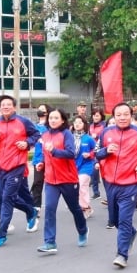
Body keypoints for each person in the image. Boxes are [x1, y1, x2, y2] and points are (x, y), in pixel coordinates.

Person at [96, 102, 137, 268]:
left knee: (124, 220)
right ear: (113, 117)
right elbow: (97, 154)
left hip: (130, 182)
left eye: (125, 114)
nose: (122, 117)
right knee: (114, 220)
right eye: (119, 115)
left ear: (131, 115)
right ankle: (132, 232)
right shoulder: (106, 132)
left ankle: (122, 255)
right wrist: (106, 151)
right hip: (109, 182)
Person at [0, 95, 41, 248]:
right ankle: (30, 211)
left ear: (14, 107)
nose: (5, 106)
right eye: (3, 104)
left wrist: (27, 143)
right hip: (0, 167)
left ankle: (1, 235)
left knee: (7, 199)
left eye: (8, 104)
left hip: (16, 166)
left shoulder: (23, 122)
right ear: (0, 107)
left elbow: (36, 134)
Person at [35, 109, 89, 254]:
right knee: (50, 209)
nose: (52, 120)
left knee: (74, 209)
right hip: (51, 180)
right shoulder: (45, 135)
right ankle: (50, 242)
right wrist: (41, 163)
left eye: (56, 118)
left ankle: (83, 230)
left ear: (62, 120)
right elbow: (44, 155)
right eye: (51, 117)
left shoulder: (66, 134)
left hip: (68, 179)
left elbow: (71, 153)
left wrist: (54, 151)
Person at [72, 115, 96, 218]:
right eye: (75, 122)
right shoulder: (69, 137)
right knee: (78, 188)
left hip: (86, 166)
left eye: (80, 122)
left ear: (84, 125)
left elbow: (96, 150)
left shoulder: (88, 139)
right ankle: (87, 207)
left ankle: (84, 208)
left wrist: (89, 154)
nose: (77, 124)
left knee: (82, 185)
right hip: (73, 167)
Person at [31, 104, 50, 211]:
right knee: (37, 182)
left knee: (51, 184)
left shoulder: (50, 126)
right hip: (38, 158)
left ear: (47, 112)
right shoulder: (35, 126)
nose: (40, 111)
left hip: (50, 158)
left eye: (42, 109)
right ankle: (36, 207)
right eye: (39, 109)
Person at [89, 108, 106, 199]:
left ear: (101, 116)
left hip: (102, 151)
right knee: (94, 173)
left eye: (97, 115)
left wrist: (98, 136)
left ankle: (109, 194)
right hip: (93, 152)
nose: (95, 117)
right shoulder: (91, 126)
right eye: (94, 115)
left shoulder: (104, 125)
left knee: (105, 173)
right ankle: (96, 192)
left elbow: (106, 136)